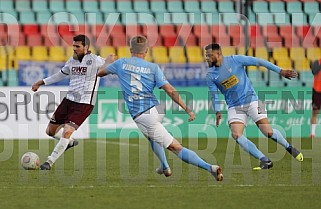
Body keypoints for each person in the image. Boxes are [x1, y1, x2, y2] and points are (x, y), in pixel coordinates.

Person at [97, 36, 223, 181]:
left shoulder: (120, 63)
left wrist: (107, 61)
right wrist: (187, 108)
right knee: (151, 136)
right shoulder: (153, 68)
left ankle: (210, 168)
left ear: (131, 50)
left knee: (175, 147)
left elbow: (99, 72)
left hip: (143, 115)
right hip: (157, 108)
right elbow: (169, 89)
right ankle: (164, 166)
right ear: (147, 51)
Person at [204, 43, 304, 170]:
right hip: (234, 106)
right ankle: (265, 160)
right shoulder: (210, 75)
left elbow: (259, 62)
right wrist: (217, 111)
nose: (207, 58)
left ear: (218, 54)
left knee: (268, 132)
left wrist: (280, 71)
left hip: (253, 100)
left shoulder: (235, 60)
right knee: (236, 135)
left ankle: (289, 147)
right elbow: (214, 94)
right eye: (206, 55)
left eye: (209, 55)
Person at [31, 34, 105, 170]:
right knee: (50, 131)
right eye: (74, 46)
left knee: (67, 131)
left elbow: (112, 66)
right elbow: (60, 74)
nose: (74, 49)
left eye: (78, 46)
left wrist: (112, 62)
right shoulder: (72, 61)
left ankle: (49, 162)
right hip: (68, 100)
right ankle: (69, 143)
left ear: (86, 47)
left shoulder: (96, 61)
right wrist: (41, 82)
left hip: (84, 103)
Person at [310, 59, 321, 139]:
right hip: (317, 90)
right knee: (315, 112)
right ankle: (312, 134)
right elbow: (314, 71)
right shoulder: (317, 62)